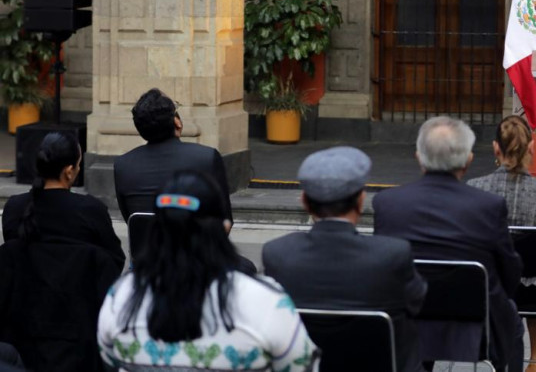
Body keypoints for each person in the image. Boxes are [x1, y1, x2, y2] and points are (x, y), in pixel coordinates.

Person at [97, 171, 319, 371]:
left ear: (155, 228)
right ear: (223, 227)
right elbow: (302, 366)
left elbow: (108, 360)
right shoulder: (267, 301)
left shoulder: (120, 296)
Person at [373, 116, 523, 372]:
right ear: (468, 160)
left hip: (408, 320)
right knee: (511, 316)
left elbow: (384, 268)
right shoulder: (488, 206)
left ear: (419, 158)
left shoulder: (387, 203)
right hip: (477, 324)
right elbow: (509, 272)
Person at [263, 146, 428, 372]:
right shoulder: (392, 254)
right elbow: (417, 302)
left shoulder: (277, 253)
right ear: (361, 201)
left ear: (304, 202)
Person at [467, 115, 536, 372]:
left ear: (495, 149)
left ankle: (496, 354)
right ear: (532, 147)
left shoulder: (476, 189)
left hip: (489, 287)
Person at [1, 131, 125, 270]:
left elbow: (11, 259)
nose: (79, 169)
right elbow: (114, 261)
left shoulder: (14, 207)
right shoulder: (91, 210)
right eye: (78, 164)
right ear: (69, 171)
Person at [114, 88, 232, 225]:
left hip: (145, 246)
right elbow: (225, 221)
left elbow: (131, 221)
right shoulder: (207, 157)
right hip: (196, 246)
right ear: (177, 122)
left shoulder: (123, 165)